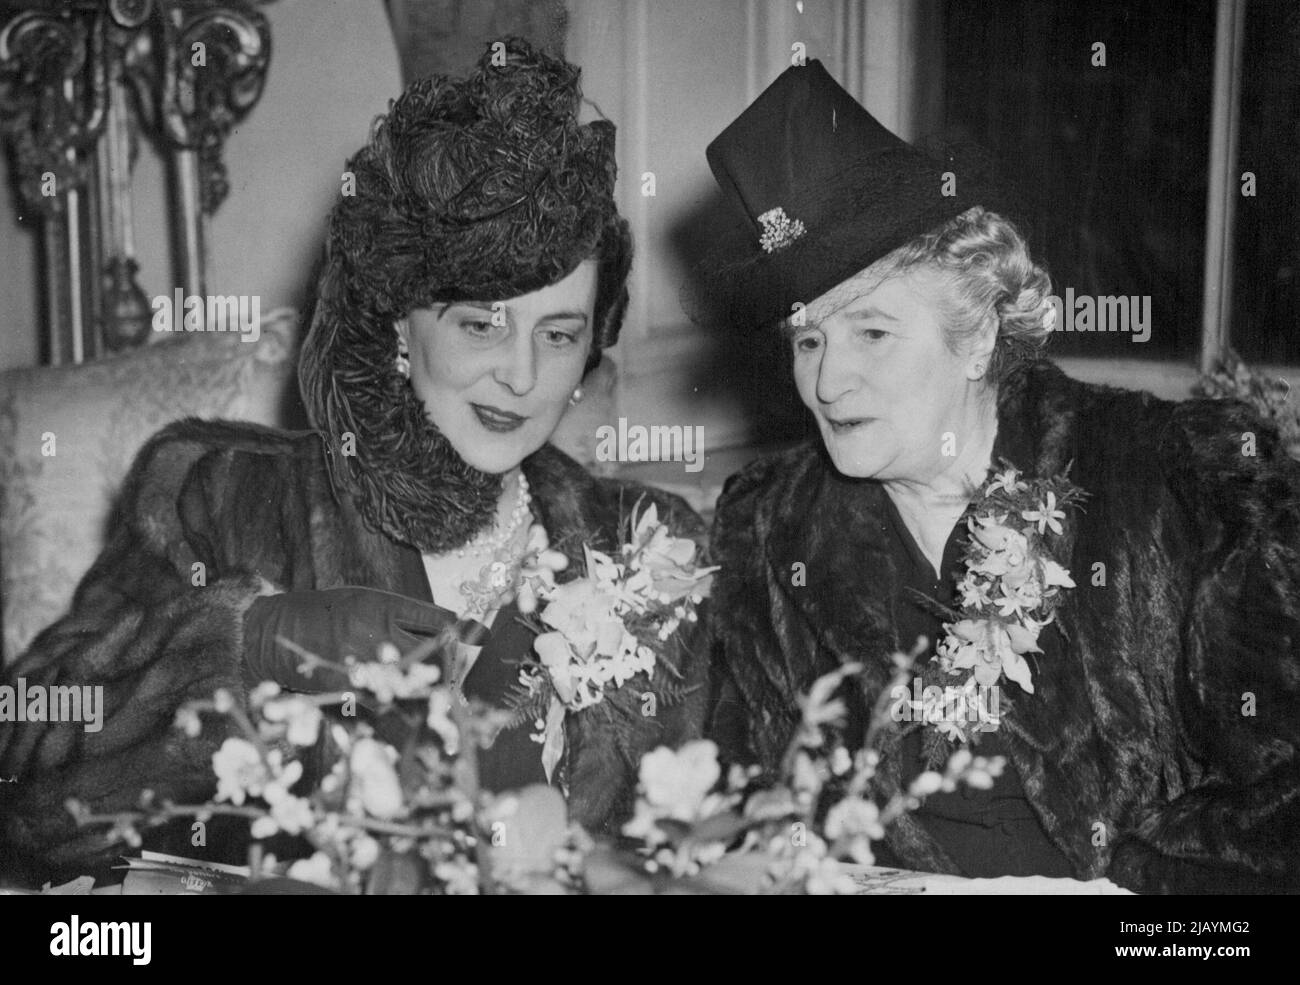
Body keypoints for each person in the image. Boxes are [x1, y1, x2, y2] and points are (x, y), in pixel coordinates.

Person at [0, 39, 707, 882]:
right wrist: (243, 643)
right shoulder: (223, 493)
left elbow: (704, 839)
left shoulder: (646, 544)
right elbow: (24, 770)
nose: (521, 374)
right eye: (480, 322)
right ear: (400, 325)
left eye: (559, 334)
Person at [703, 61, 1300, 893]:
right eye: (808, 340)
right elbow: (739, 805)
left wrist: (1131, 890)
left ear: (978, 333)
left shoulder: (1169, 482)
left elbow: (1281, 802)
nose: (828, 382)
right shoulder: (769, 532)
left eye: (871, 332)